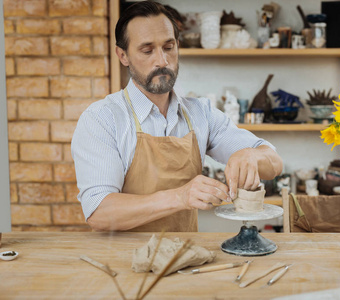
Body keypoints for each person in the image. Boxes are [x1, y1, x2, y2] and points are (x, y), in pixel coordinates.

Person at [71, 1, 283, 232]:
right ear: (123, 55)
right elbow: (99, 213)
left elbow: (274, 163)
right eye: (147, 50)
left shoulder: (201, 113)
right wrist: (180, 197)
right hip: (123, 263)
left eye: (169, 47)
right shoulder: (102, 119)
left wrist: (252, 155)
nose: (162, 60)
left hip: (186, 260)